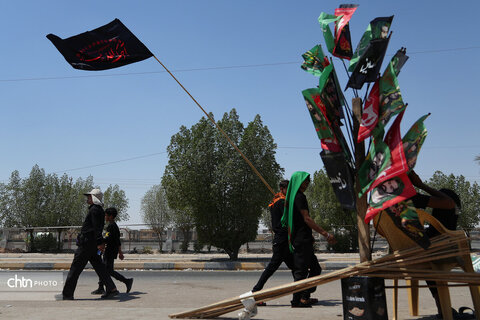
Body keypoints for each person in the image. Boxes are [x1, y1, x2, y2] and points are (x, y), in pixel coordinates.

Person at [281, 171, 336, 308]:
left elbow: (298, 221)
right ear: (298, 182)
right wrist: (325, 234)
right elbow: (306, 219)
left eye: (309, 181)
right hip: (301, 241)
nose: (308, 183)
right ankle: (297, 300)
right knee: (301, 272)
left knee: (315, 269)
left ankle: (304, 296)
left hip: (303, 239)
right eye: (306, 181)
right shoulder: (299, 197)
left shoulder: (293, 198)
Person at [58, 189, 119, 300]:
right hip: (92, 244)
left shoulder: (94, 210)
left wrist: (100, 242)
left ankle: (67, 294)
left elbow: (96, 228)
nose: (88, 198)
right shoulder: (99, 210)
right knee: (100, 267)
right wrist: (98, 242)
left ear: (94, 198)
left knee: (75, 268)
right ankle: (111, 288)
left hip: (86, 244)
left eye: (89, 197)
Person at [252, 180, 294, 305]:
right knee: (271, 268)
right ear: (282, 189)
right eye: (288, 189)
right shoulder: (281, 202)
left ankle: (302, 295)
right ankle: (255, 294)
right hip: (281, 241)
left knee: (296, 268)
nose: (290, 192)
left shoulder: (277, 201)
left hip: (282, 240)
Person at [91, 207, 133, 295]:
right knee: (103, 268)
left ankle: (126, 281)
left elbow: (108, 239)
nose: (105, 217)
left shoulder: (111, 226)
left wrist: (99, 242)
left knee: (108, 271)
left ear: (110, 216)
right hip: (110, 251)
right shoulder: (113, 226)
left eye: (106, 215)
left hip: (110, 251)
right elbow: (117, 241)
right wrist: (120, 252)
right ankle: (101, 287)